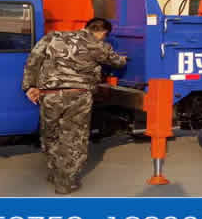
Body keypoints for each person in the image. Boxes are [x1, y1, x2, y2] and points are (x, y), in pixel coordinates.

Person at [21, 17, 127, 194]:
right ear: (103, 32)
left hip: (50, 95)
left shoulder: (53, 37)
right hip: (78, 96)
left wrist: (29, 86)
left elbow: (33, 60)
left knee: (50, 134)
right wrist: (123, 59)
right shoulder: (97, 45)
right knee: (73, 138)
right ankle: (65, 182)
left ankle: (55, 172)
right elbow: (117, 62)